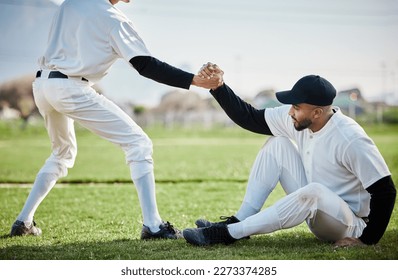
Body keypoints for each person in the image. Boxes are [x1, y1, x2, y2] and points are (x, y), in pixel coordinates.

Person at [9, 0, 221, 239]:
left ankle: (23, 222)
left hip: (42, 85)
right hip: (70, 88)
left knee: (62, 154)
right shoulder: (115, 20)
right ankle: (153, 227)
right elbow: (145, 64)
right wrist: (195, 80)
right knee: (138, 143)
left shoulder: (72, 3)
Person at [183, 63, 396, 247]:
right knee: (278, 143)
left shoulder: (350, 138)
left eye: (296, 106)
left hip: (350, 223)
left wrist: (367, 240)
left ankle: (229, 234)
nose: (289, 111)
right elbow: (250, 118)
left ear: (317, 113)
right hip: (316, 209)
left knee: (314, 191)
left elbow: (385, 191)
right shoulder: (298, 119)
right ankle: (239, 221)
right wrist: (219, 87)